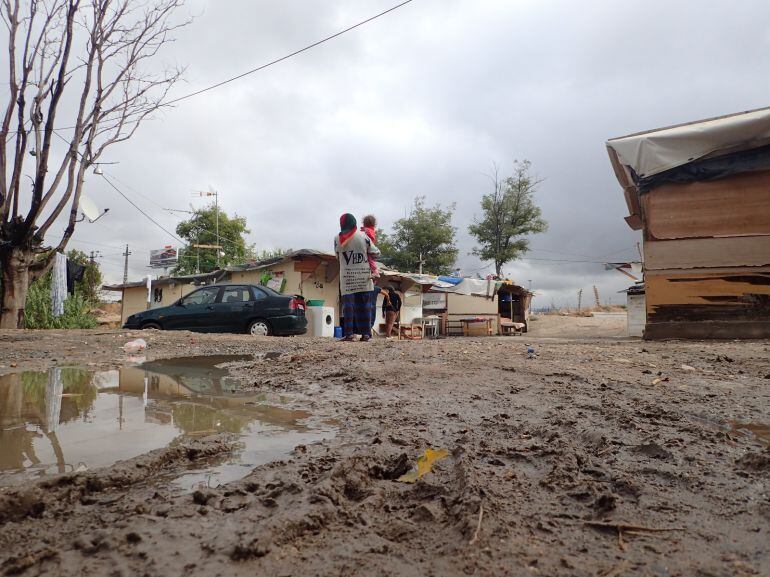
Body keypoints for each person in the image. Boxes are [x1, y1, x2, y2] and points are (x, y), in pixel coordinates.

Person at [334, 213, 381, 342]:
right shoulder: (364, 237)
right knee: (365, 307)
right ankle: (366, 335)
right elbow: (376, 253)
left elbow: (337, 256)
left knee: (348, 307)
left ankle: (349, 335)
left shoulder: (336, 239)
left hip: (347, 279)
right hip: (363, 278)